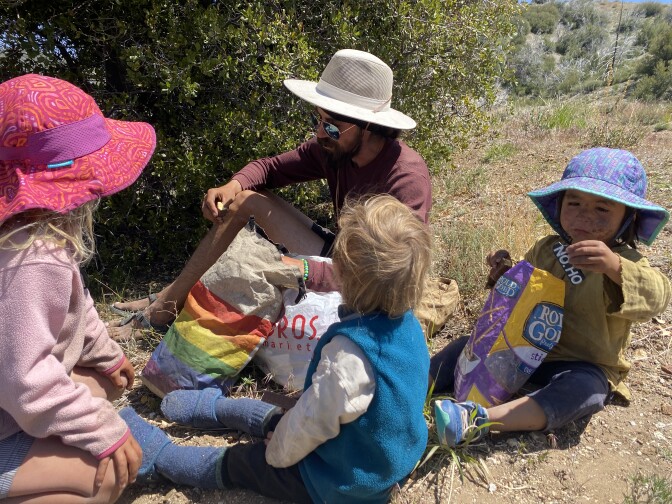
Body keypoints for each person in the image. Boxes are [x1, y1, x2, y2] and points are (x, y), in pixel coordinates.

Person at [118, 194, 432, 504]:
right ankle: (216, 408)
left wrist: (278, 451)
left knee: (247, 462)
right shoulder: (407, 325)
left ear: (348, 278)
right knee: (292, 417)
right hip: (383, 456)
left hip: (342, 481)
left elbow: (313, 419)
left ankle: (165, 457)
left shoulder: (348, 357)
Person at [110, 48, 432, 335]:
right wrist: (232, 185)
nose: (320, 134)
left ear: (370, 127)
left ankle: (164, 306)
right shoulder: (334, 148)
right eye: (318, 120)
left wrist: (305, 269)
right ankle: (169, 300)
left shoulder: (405, 178)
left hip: (366, 283)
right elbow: (270, 168)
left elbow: (388, 275)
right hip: (340, 254)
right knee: (245, 200)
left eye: (331, 126)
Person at [430, 147, 671, 447]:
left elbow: (658, 295)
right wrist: (503, 272)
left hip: (579, 363)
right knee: (464, 346)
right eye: (575, 202)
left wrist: (614, 267)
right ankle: (412, 388)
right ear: (559, 205)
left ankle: (479, 420)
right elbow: (521, 290)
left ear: (627, 217)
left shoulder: (626, 261)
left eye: (602, 208)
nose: (585, 214)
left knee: (585, 389)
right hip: (522, 350)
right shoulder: (547, 248)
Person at [0, 74, 157, 502]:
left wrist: (106, 356)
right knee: (107, 474)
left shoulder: (29, 235)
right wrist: (107, 431)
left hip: (9, 392)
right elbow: (24, 382)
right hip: (10, 400)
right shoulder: (36, 256)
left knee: (104, 384)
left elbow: (77, 304)